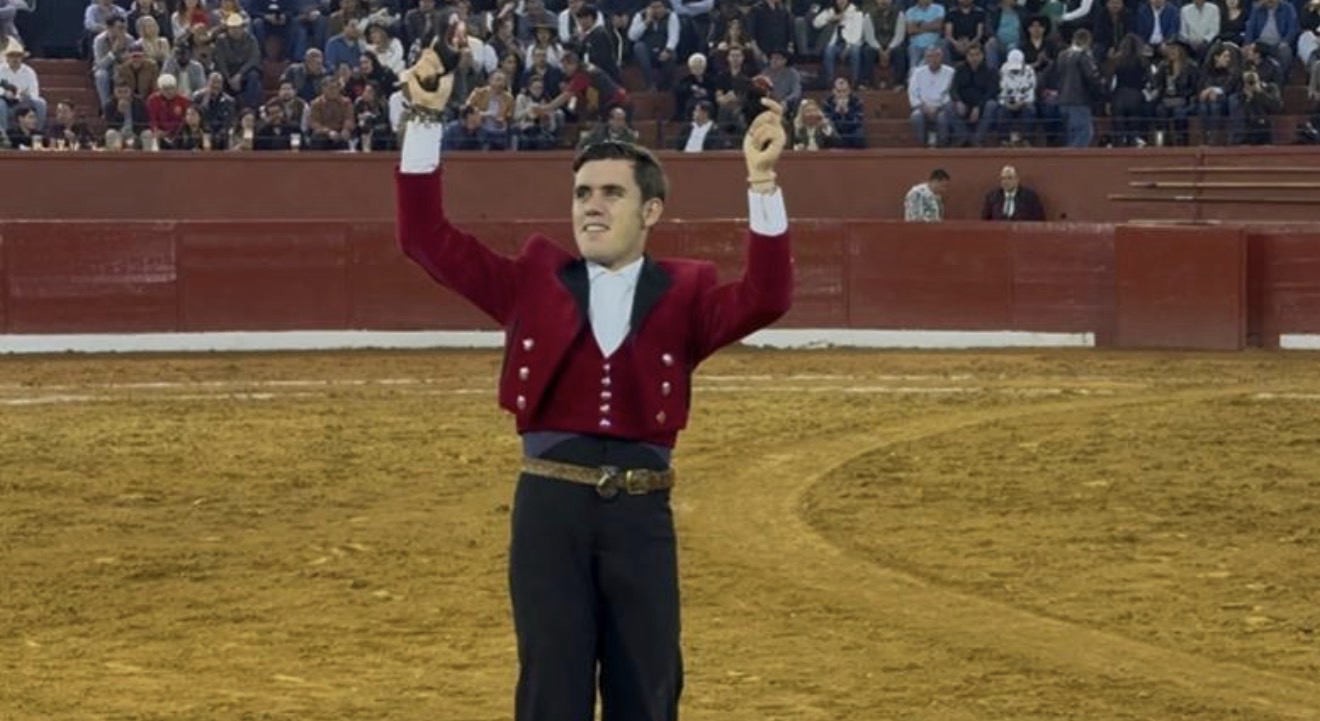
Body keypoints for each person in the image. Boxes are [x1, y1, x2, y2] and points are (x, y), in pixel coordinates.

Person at [393, 42, 791, 721]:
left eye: (612, 192)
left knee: (649, 686)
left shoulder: (684, 294)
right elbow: (425, 238)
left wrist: (762, 183)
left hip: (642, 516)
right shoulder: (530, 280)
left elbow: (766, 295)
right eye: (582, 192)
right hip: (550, 513)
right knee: (552, 690)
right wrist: (425, 122)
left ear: (651, 211)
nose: (592, 206)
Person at [981, 164, 1045, 220]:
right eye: (1003, 178)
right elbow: (985, 221)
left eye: (1009, 178)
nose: (1006, 182)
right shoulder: (993, 197)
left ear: (1017, 179)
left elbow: (1038, 219)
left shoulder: (1029, 197)